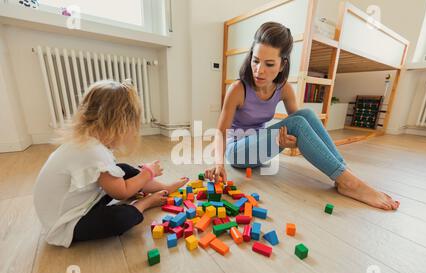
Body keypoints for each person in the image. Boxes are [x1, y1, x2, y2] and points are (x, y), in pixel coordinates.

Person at [205, 22, 399, 211]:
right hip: (237, 152)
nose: (259, 70)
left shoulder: (284, 89)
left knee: (305, 114)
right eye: (255, 60)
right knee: (298, 120)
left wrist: (291, 143)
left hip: (260, 150)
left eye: (269, 64)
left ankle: (345, 174)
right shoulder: (238, 89)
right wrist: (219, 165)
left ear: (282, 65)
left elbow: (302, 131)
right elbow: (220, 132)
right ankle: (348, 181)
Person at [33, 80, 189, 248]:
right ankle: (144, 203)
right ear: (119, 125)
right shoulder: (93, 152)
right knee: (122, 218)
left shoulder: (87, 142)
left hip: (77, 202)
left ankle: (164, 187)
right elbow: (121, 193)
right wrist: (147, 173)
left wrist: (142, 176)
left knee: (122, 170)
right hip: (66, 223)